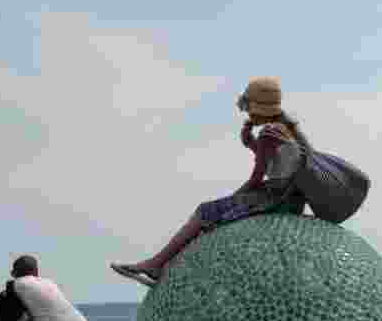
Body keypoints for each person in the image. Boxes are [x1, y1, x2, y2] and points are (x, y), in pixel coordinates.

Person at [111, 77, 309, 287]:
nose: (247, 113)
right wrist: (252, 145)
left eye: (249, 107)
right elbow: (281, 164)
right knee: (213, 214)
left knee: (205, 212)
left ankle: (156, 265)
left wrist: (231, 200)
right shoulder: (287, 130)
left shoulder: (269, 134)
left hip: (275, 200)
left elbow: (256, 179)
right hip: (292, 199)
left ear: (257, 108)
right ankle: (162, 266)